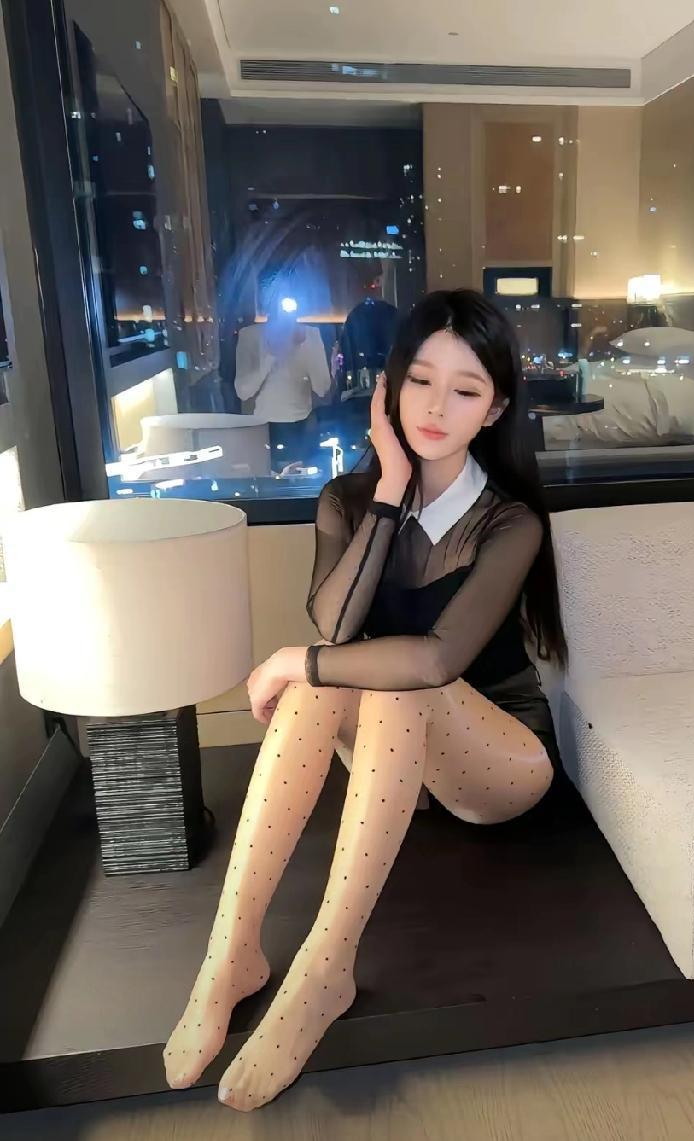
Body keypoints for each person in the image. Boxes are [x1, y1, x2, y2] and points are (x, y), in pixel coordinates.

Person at [163, 289, 569, 1112]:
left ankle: (326, 965)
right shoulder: (346, 499)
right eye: (420, 380)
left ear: (494, 409)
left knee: (381, 680)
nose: (436, 407)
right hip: (395, 756)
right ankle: (231, 951)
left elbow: (435, 659)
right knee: (333, 683)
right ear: (388, 385)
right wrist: (389, 488)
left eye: (465, 389)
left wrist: (294, 659)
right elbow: (336, 624)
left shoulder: (509, 522)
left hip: (499, 759)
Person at [234, 290, 332, 470]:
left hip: (302, 426)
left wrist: (305, 348)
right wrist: (271, 355)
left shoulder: (310, 336)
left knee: (303, 476)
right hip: (263, 427)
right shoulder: (251, 336)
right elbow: (243, 391)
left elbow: (322, 387)